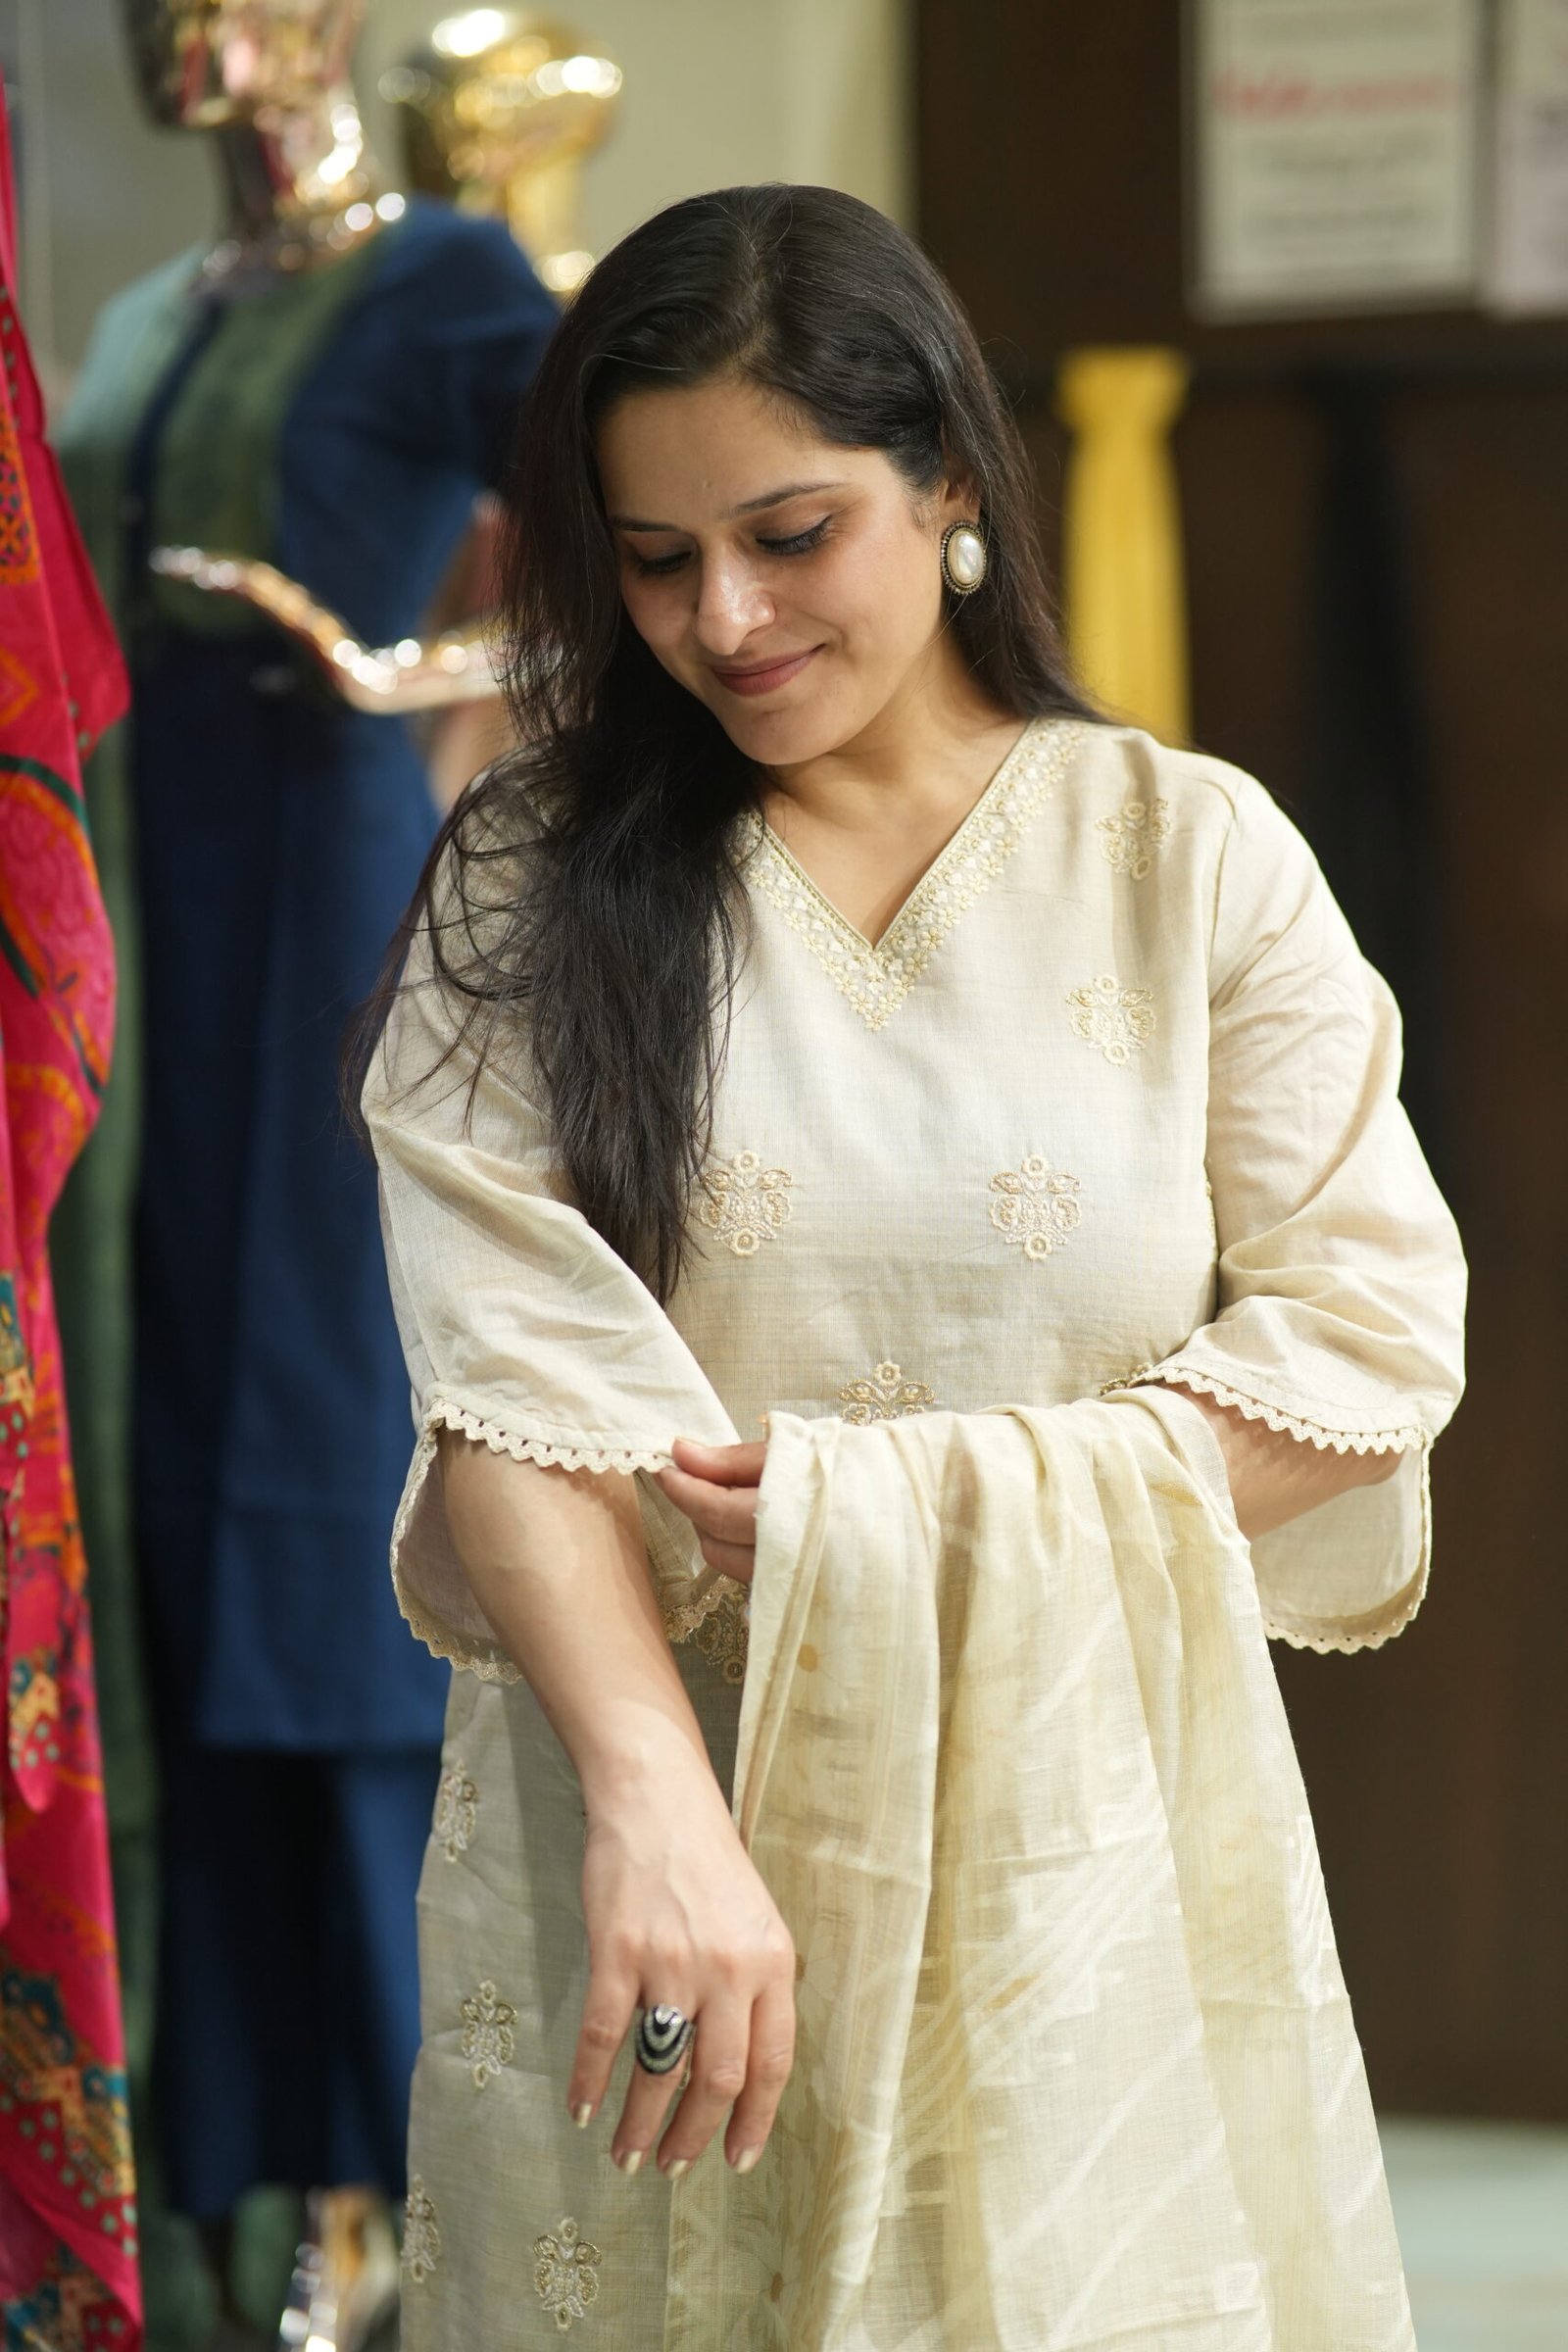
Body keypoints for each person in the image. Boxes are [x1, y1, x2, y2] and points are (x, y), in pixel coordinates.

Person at [361, 184, 1466, 2348]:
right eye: (654, 560)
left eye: (792, 534)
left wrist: (913, 1511)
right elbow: (506, 1385)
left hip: (1081, 1848)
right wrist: (656, 1809)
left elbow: (1365, 1341)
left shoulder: (1184, 861)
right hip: (654, 1839)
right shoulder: (530, 870)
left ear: (949, 479)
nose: (725, 619)